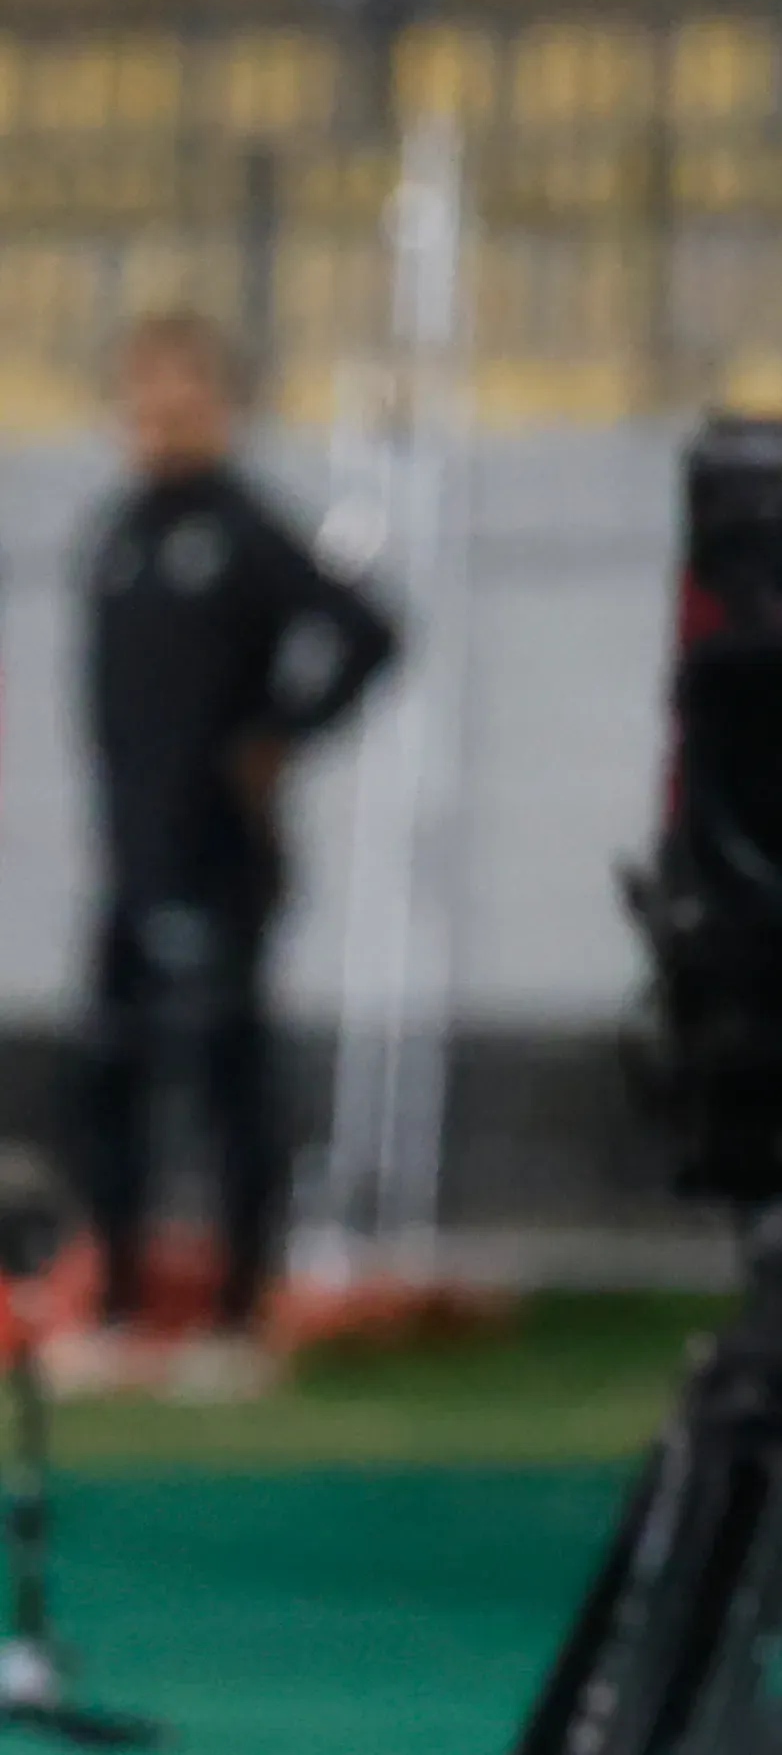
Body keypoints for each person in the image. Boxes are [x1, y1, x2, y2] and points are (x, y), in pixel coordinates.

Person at [55, 309, 398, 1403]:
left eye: (183, 394)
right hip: (130, 855)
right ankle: (113, 1307)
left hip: (218, 857)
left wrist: (278, 738)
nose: (160, 415)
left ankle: (242, 1315)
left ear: (223, 405)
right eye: (143, 394)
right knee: (110, 1077)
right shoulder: (115, 532)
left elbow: (368, 629)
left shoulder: (244, 529)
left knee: (223, 1077)